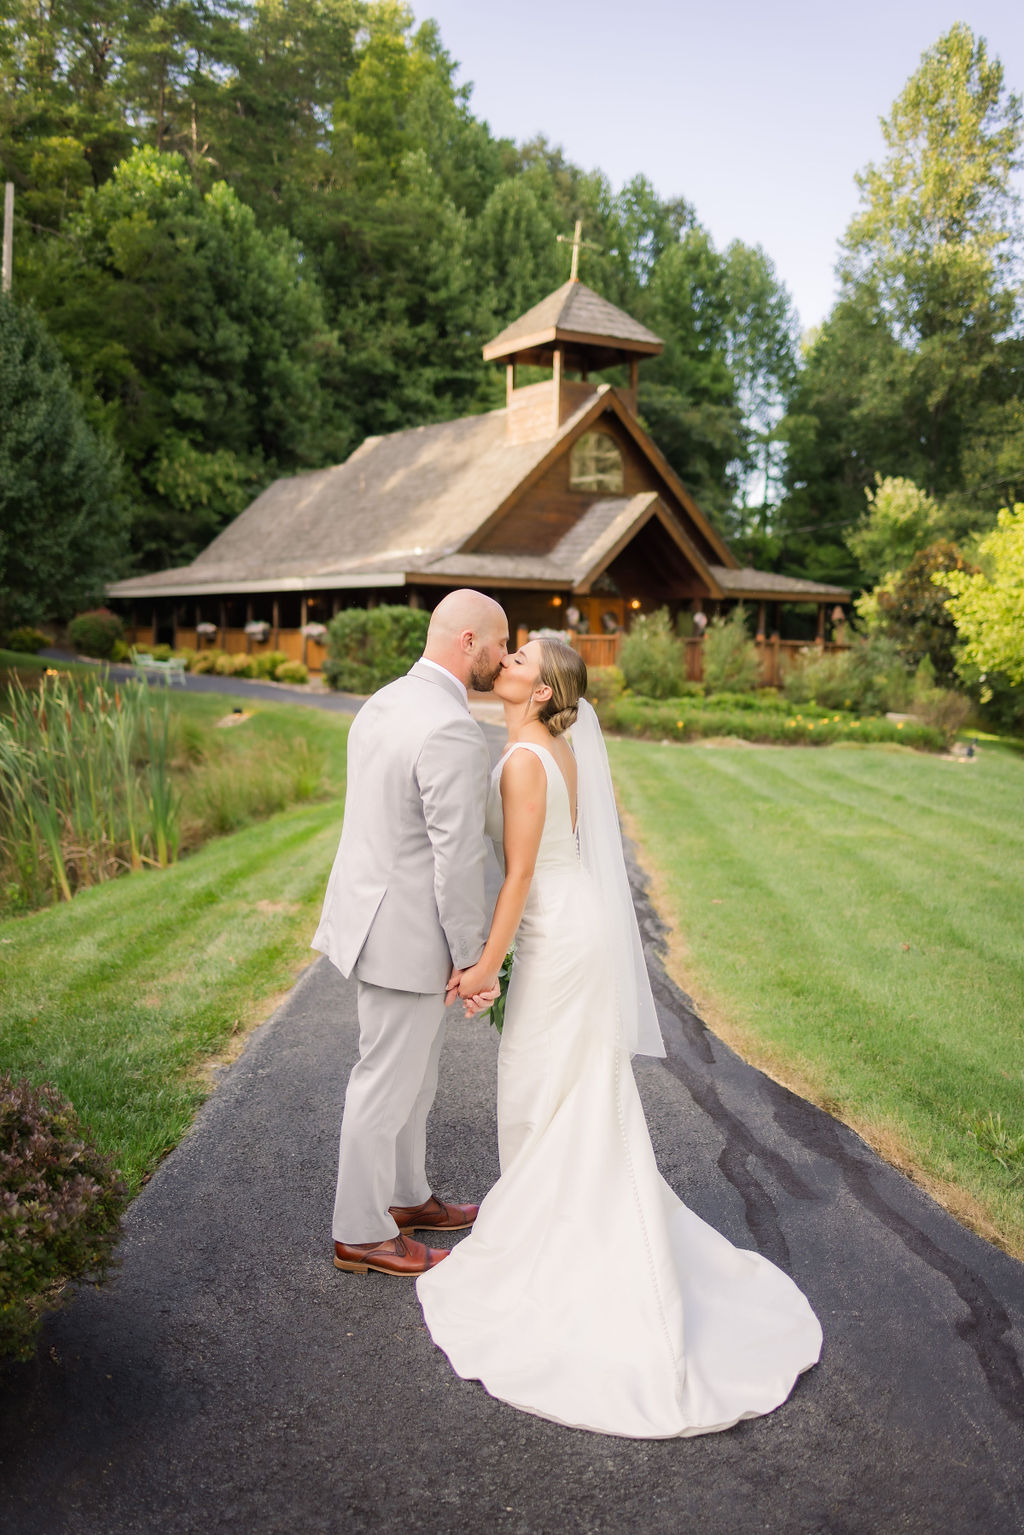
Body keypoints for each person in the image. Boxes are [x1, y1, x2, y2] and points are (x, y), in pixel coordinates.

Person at [416, 636, 822, 1436]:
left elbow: (523, 873)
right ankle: (565, 1221)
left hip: (558, 939)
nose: (510, 659)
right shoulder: (549, 743)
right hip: (570, 931)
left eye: (524, 658)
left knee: (545, 1084)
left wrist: (485, 966)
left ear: (539, 691)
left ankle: (568, 1250)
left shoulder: (528, 760)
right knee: (562, 1087)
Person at [312, 590, 508, 1278]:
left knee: (412, 1080)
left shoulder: (386, 701)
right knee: (385, 1082)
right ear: (466, 642)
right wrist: (474, 957)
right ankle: (361, 1230)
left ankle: (405, 1196)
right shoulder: (451, 727)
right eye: (499, 643)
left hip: (369, 917)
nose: (503, 657)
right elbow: (456, 856)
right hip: (405, 935)